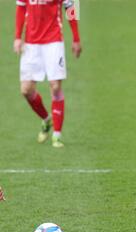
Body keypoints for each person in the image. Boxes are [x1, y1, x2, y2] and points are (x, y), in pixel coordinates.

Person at [14, 0, 82, 148]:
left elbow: (71, 5)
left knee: (55, 86)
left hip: (54, 41)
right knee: (26, 90)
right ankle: (46, 118)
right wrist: (18, 37)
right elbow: (20, 7)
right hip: (31, 44)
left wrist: (76, 38)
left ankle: (57, 135)